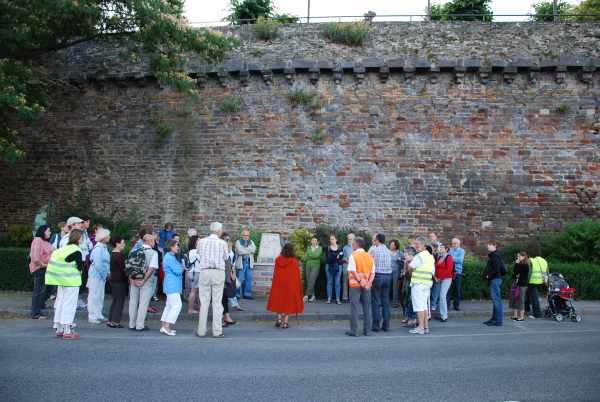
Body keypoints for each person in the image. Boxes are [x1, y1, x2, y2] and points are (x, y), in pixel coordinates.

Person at [45, 229, 85, 340]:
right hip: (71, 282)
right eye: (82, 237)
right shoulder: (77, 250)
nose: (83, 239)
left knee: (60, 303)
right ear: (79, 238)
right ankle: (67, 330)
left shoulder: (62, 249)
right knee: (69, 305)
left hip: (59, 281)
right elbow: (80, 267)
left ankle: (59, 328)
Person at [196, 222, 229, 338]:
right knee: (217, 302)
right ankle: (217, 331)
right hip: (218, 271)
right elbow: (226, 258)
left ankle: (201, 331)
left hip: (204, 271)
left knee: (204, 302)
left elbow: (198, 254)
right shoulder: (223, 243)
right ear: (219, 231)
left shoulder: (201, 241)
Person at [267, 243, 304, 329]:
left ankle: (279, 319)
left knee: (279, 301)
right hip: (290, 286)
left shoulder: (277, 260)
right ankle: (285, 322)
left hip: (279, 285)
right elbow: (296, 276)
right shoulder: (294, 261)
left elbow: (276, 274)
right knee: (288, 303)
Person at [128, 234, 159, 331]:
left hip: (133, 280)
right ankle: (140, 325)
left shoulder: (134, 251)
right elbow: (151, 268)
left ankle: (131, 324)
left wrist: (132, 280)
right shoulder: (154, 253)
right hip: (146, 282)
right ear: (149, 241)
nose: (154, 243)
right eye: (153, 241)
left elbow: (129, 267)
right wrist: (143, 280)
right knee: (143, 303)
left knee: (133, 302)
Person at [346, 237, 375, 337]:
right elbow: (373, 272)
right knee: (367, 307)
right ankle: (368, 331)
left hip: (355, 285)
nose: (352, 244)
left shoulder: (353, 255)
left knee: (354, 307)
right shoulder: (369, 256)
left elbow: (352, 271)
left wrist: (360, 281)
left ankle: (354, 331)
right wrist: (368, 283)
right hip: (366, 286)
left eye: (353, 243)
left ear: (356, 244)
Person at [405, 237, 435, 335]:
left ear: (423, 245)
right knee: (424, 306)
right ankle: (425, 327)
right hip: (427, 283)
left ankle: (420, 327)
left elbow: (410, 268)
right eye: (415, 244)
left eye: (417, 244)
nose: (415, 246)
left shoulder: (419, 256)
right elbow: (433, 271)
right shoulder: (430, 256)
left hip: (418, 283)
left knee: (419, 307)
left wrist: (408, 262)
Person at [29, 225, 55, 319]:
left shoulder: (45, 242)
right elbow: (35, 257)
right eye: (48, 231)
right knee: (38, 291)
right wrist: (44, 265)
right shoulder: (37, 240)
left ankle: (40, 305)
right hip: (39, 269)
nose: (50, 232)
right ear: (43, 231)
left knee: (50, 288)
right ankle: (35, 313)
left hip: (46, 269)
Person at [369, 233, 393, 332]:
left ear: (377, 240)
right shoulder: (388, 251)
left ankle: (376, 325)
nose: (372, 241)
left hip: (378, 275)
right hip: (388, 276)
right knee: (385, 301)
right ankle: (386, 325)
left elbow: (368, 261)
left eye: (374, 239)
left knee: (376, 301)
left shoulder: (373, 249)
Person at [160, 239, 184, 336]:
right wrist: (182, 267)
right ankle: (166, 326)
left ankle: (164, 326)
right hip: (172, 285)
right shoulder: (170, 257)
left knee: (169, 306)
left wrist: (181, 267)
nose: (177, 247)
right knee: (177, 305)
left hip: (170, 284)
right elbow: (178, 270)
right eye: (176, 246)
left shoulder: (169, 256)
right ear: (171, 247)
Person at [87, 228, 111, 323]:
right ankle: (92, 315)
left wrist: (106, 273)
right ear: (103, 237)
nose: (109, 237)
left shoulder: (103, 247)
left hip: (101, 275)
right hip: (96, 275)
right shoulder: (98, 249)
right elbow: (98, 264)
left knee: (100, 295)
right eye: (108, 236)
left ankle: (98, 314)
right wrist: (104, 274)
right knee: (94, 295)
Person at [483, 241, 506, 327]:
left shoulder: (495, 256)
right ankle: (494, 319)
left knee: (496, 300)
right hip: (495, 279)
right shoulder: (494, 255)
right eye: (488, 245)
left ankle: (498, 320)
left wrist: (489, 275)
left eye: (490, 245)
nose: (488, 246)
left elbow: (496, 268)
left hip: (495, 279)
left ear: (495, 246)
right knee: (495, 300)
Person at [107, 236, 127, 328]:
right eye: (122, 242)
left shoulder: (113, 254)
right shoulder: (119, 255)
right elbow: (124, 269)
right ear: (117, 243)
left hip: (114, 279)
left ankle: (110, 319)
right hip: (119, 280)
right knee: (119, 301)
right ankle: (115, 321)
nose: (124, 244)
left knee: (115, 300)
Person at [434, 244, 454, 322]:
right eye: (440, 248)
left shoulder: (449, 257)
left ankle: (444, 316)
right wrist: (435, 277)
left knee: (442, 296)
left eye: (442, 248)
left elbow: (449, 270)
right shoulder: (439, 257)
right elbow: (436, 268)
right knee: (440, 296)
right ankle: (441, 314)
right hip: (438, 279)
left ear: (446, 249)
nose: (440, 249)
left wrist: (440, 278)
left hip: (447, 279)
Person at [234, 228, 256, 300]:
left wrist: (245, 250)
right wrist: (248, 250)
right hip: (241, 262)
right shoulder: (238, 242)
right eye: (244, 235)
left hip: (249, 262)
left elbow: (254, 249)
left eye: (247, 235)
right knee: (239, 279)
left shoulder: (251, 241)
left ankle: (247, 294)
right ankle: (237, 295)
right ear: (242, 235)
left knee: (248, 279)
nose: (246, 236)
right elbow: (240, 251)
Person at [221, 232, 237, 327]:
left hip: (228, 277)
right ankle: (223, 318)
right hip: (221, 276)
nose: (228, 242)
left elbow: (232, 264)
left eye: (229, 240)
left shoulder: (231, 251)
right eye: (226, 240)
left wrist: (233, 274)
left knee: (225, 297)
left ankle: (226, 317)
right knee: (221, 298)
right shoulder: (220, 250)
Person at [525, 255, 548, 319]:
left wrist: (526, 282)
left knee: (534, 298)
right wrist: (546, 283)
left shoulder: (531, 260)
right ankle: (526, 309)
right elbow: (547, 272)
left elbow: (528, 272)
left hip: (533, 281)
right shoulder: (544, 261)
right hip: (541, 281)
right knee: (528, 294)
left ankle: (537, 314)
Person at [510, 252, 530, 322]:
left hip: (522, 285)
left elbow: (519, 273)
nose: (518, 258)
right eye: (517, 256)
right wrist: (516, 264)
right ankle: (515, 315)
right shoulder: (520, 264)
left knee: (521, 300)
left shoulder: (525, 265)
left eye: (519, 256)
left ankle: (521, 316)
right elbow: (515, 273)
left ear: (524, 257)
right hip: (517, 284)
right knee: (515, 299)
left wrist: (517, 264)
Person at [324, 234, 344, 304]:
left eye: (333, 239)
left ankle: (338, 299)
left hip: (338, 266)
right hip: (329, 266)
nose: (331, 240)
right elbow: (328, 257)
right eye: (330, 239)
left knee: (337, 283)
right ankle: (329, 298)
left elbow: (341, 257)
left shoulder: (340, 247)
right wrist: (336, 256)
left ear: (336, 240)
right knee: (329, 282)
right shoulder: (327, 248)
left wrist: (335, 256)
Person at [448, 238, 465, 311]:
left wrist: (451, 259)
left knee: (457, 290)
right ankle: (447, 305)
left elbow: (460, 260)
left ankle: (456, 305)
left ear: (459, 244)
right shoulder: (449, 250)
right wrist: (453, 259)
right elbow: (447, 259)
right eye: (452, 243)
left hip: (458, 272)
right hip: (449, 273)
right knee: (448, 290)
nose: (454, 245)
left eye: (455, 243)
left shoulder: (462, 251)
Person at [303, 237, 322, 303]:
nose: (314, 241)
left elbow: (316, 255)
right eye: (312, 240)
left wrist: (310, 255)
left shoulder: (319, 248)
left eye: (315, 240)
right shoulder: (308, 248)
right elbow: (308, 255)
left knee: (312, 279)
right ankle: (313, 296)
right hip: (308, 265)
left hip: (316, 265)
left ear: (317, 242)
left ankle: (306, 295)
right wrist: (311, 255)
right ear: (311, 241)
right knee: (309, 281)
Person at [186, 235, 201, 314]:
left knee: (196, 291)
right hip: (197, 272)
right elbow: (202, 260)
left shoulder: (190, 251)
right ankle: (190, 309)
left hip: (192, 271)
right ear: (195, 242)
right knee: (194, 291)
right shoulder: (196, 251)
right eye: (198, 241)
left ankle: (198, 307)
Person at [389, 240, 404, 308]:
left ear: (396, 246)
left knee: (395, 287)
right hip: (388, 272)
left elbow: (404, 262)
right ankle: (386, 301)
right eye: (390, 244)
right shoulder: (387, 252)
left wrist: (400, 260)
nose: (391, 246)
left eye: (393, 245)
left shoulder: (400, 253)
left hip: (396, 272)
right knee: (387, 287)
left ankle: (395, 302)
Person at [341, 233, 355, 302]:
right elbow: (342, 257)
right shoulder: (345, 247)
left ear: (354, 239)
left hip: (354, 266)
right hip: (346, 265)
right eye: (348, 239)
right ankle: (345, 297)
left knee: (353, 282)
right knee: (345, 282)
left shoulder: (356, 247)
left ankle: (352, 297)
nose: (349, 240)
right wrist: (345, 259)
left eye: (350, 239)